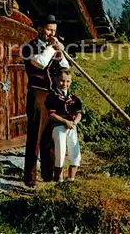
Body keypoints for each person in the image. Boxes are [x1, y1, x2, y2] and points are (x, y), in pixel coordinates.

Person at [22, 14, 70, 187]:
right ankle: (30, 177)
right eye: (49, 29)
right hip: (37, 95)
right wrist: (52, 48)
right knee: (34, 136)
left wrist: (61, 51)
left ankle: (48, 175)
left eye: (54, 31)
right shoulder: (28, 47)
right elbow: (41, 63)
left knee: (50, 137)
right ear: (40, 29)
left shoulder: (54, 49)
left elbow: (66, 68)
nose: (52, 34)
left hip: (52, 97)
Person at [45, 69, 83, 182]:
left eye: (67, 81)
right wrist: (65, 122)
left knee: (75, 154)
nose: (64, 84)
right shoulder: (52, 97)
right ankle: (58, 181)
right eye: (62, 81)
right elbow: (52, 114)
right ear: (56, 80)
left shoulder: (75, 99)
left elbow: (79, 114)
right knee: (60, 153)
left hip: (72, 127)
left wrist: (74, 122)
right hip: (58, 127)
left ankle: (71, 180)